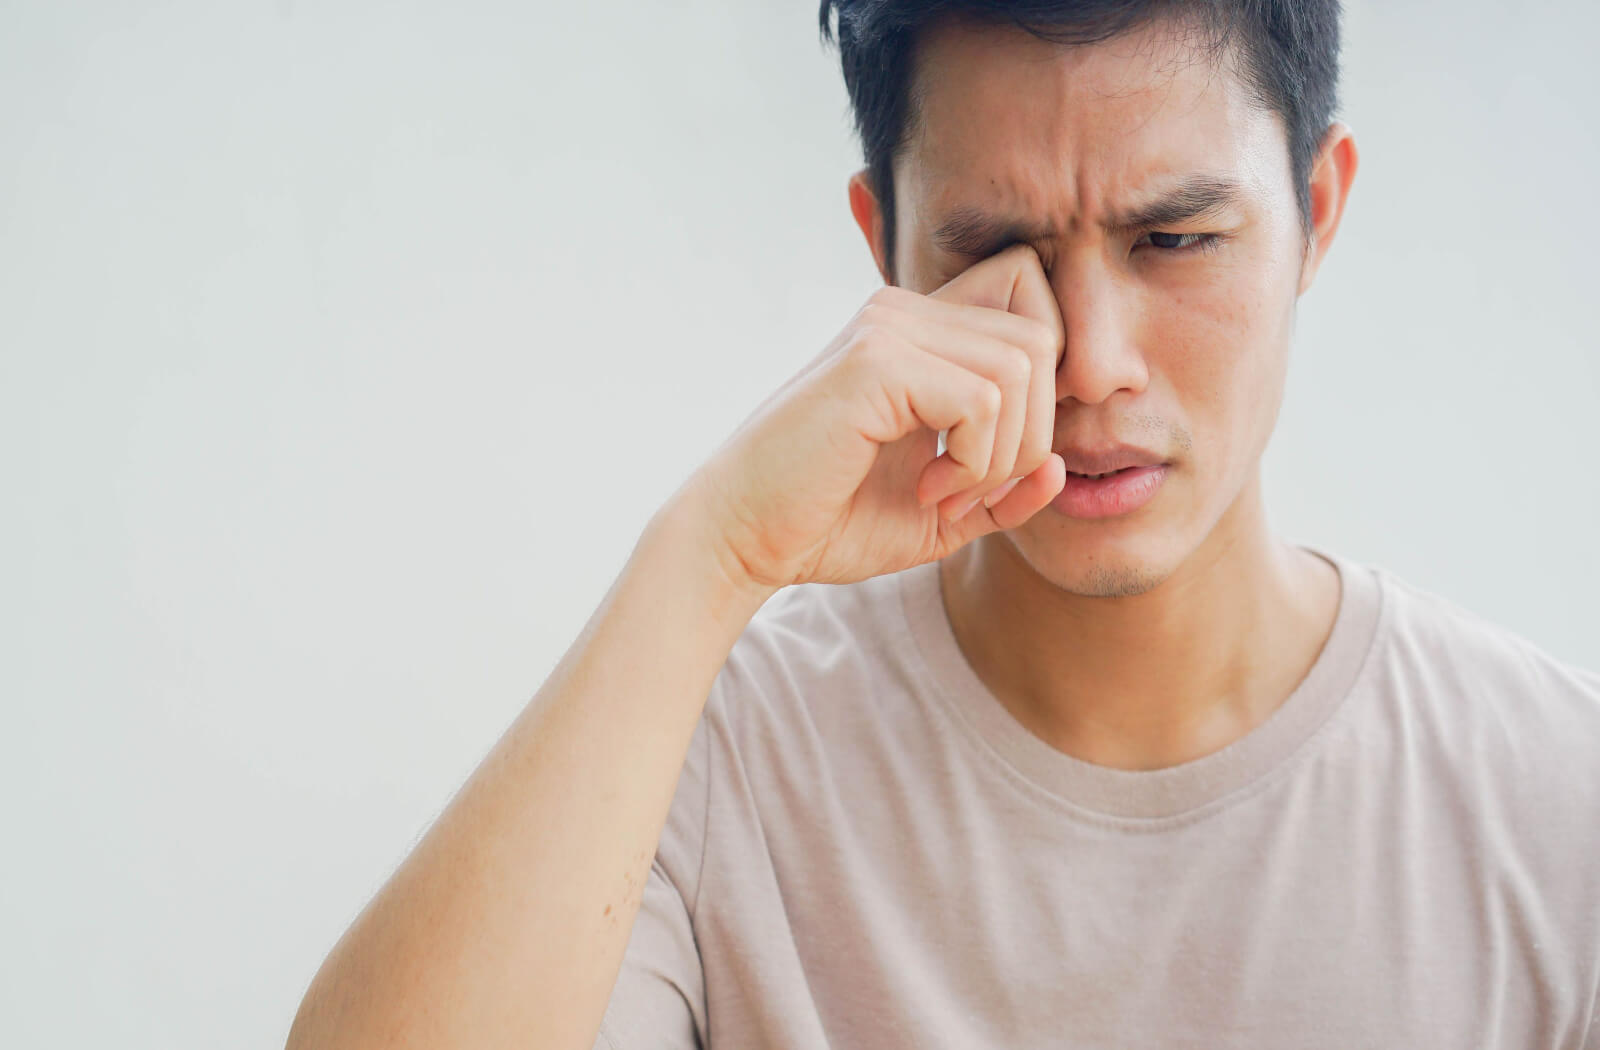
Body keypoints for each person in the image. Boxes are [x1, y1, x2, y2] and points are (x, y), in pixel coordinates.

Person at [286, 2, 1600, 1047]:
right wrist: (712, 555)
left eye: (1178, 240)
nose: (1090, 364)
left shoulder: (1555, 803)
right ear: (887, 248)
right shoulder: (712, 759)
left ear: (1321, 210)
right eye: (997, 253)